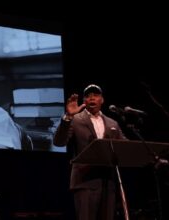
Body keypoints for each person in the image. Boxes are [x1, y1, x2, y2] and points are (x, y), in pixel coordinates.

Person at [53, 84, 126, 220]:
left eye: (96, 95)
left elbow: (125, 147)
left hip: (108, 183)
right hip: (85, 182)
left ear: (102, 100)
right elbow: (59, 142)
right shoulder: (75, 120)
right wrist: (68, 117)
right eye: (88, 96)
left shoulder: (112, 123)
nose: (92, 98)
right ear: (84, 101)